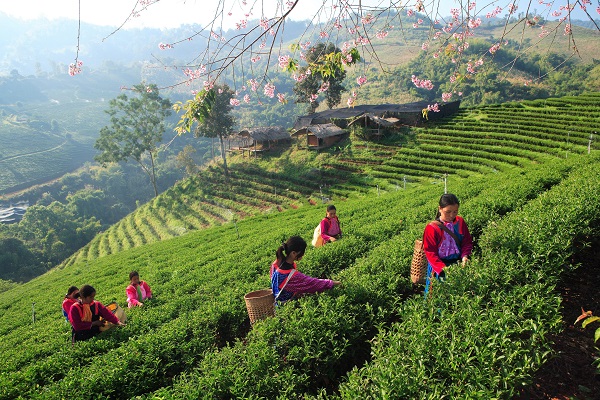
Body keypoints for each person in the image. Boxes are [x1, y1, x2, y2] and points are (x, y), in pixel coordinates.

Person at [423, 193, 473, 297]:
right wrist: (443, 269)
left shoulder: (460, 222)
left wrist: (465, 256)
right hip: (439, 269)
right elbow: (430, 252)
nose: (451, 215)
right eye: (448, 212)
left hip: (457, 265)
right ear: (440, 209)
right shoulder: (432, 228)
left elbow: (466, 241)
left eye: (455, 212)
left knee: (458, 297)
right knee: (439, 297)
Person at [270, 236, 341, 303]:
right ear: (293, 253)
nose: (303, 254)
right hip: (288, 305)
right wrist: (335, 283)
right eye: (302, 252)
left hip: (277, 302)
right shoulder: (291, 275)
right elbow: (314, 283)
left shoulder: (276, 264)